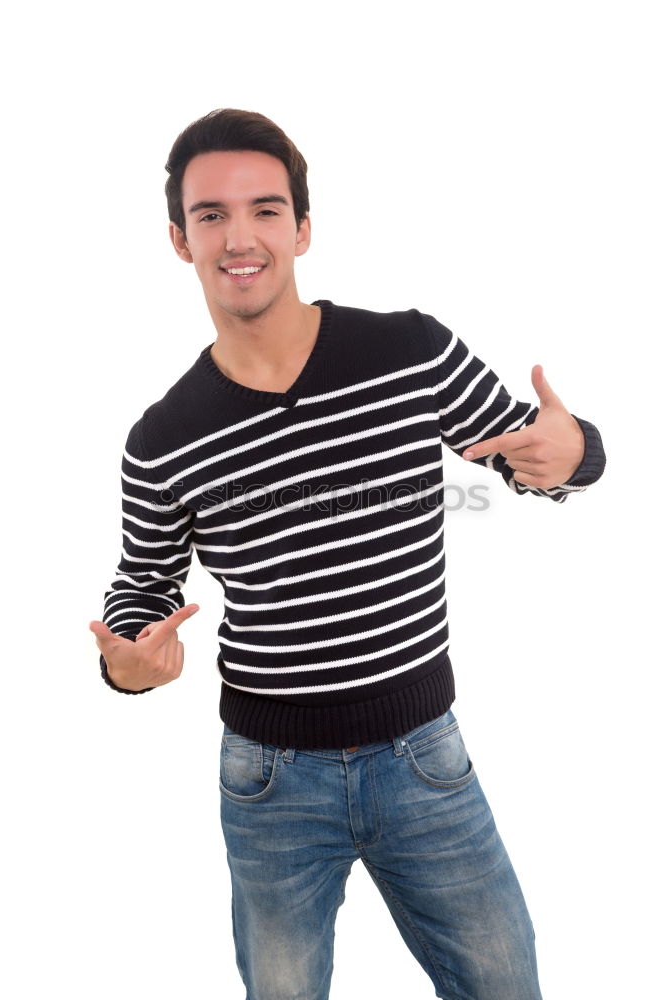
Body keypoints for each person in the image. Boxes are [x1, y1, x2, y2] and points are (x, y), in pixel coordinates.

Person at [89, 108, 606, 1000]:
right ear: (180, 240)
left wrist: (578, 453)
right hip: (269, 783)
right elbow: (144, 582)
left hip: (425, 760)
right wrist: (131, 665)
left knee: (507, 984)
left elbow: (532, 452)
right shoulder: (163, 436)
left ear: (302, 228)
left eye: (264, 209)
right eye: (211, 215)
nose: (239, 236)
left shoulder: (407, 349)